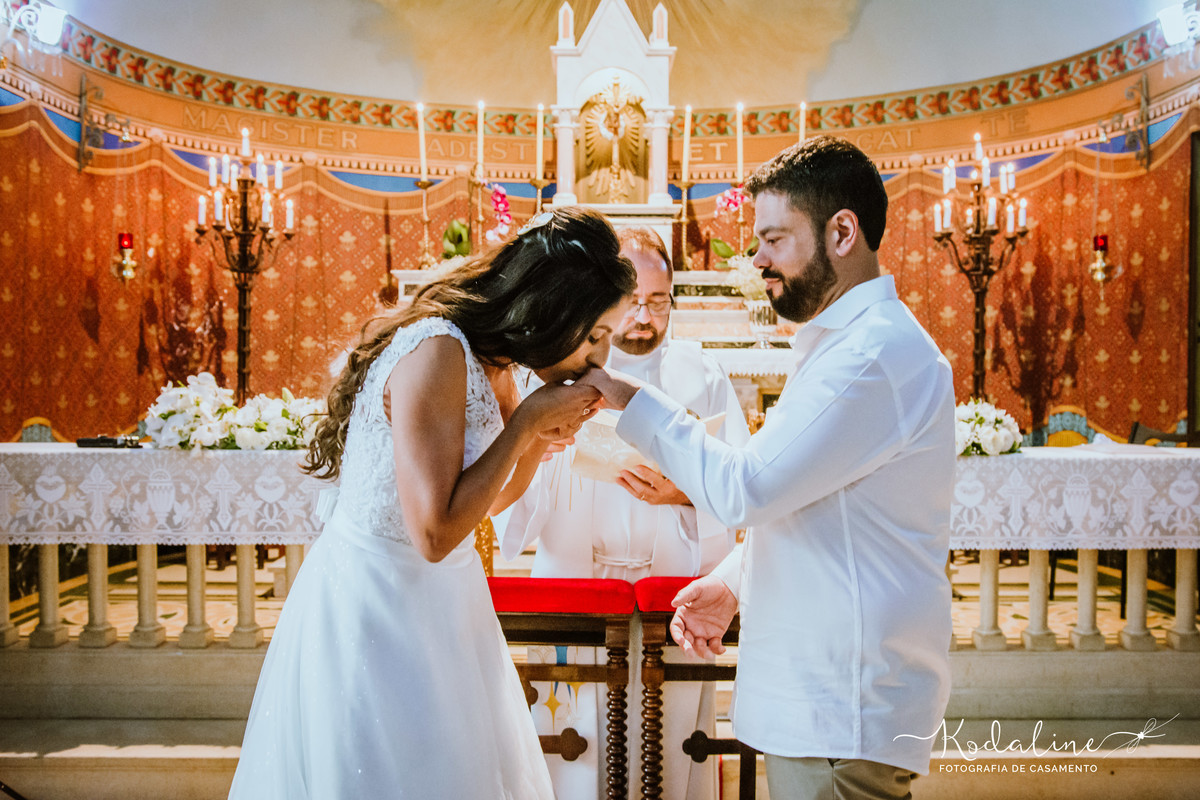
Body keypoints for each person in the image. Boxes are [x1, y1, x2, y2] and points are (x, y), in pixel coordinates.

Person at [579, 137, 955, 800]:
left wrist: (624, 396)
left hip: (841, 705)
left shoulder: (870, 355)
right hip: (826, 701)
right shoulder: (849, 345)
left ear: (842, 232)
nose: (756, 260)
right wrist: (733, 581)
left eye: (775, 239)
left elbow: (745, 487)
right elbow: (811, 506)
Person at [228, 206, 637, 800]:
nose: (600, 358)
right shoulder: (439, 349)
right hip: (377, 603)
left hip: (448, 600)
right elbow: (434, 533)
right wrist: (525, 424)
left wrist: (535, 440)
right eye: (595, 335)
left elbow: (490, 503)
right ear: (552, 309)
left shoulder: (498, 362)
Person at [498, 226, 749, 800]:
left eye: (658, 302)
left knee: (670, 744)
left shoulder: (703, 375)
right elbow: (513, 490)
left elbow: (742, 487)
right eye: (633, 301)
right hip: (578, 585)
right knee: (576, 743)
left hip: (672, 592)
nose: (643, 317)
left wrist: (682, 494)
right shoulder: (564, 364)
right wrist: (544, 445)